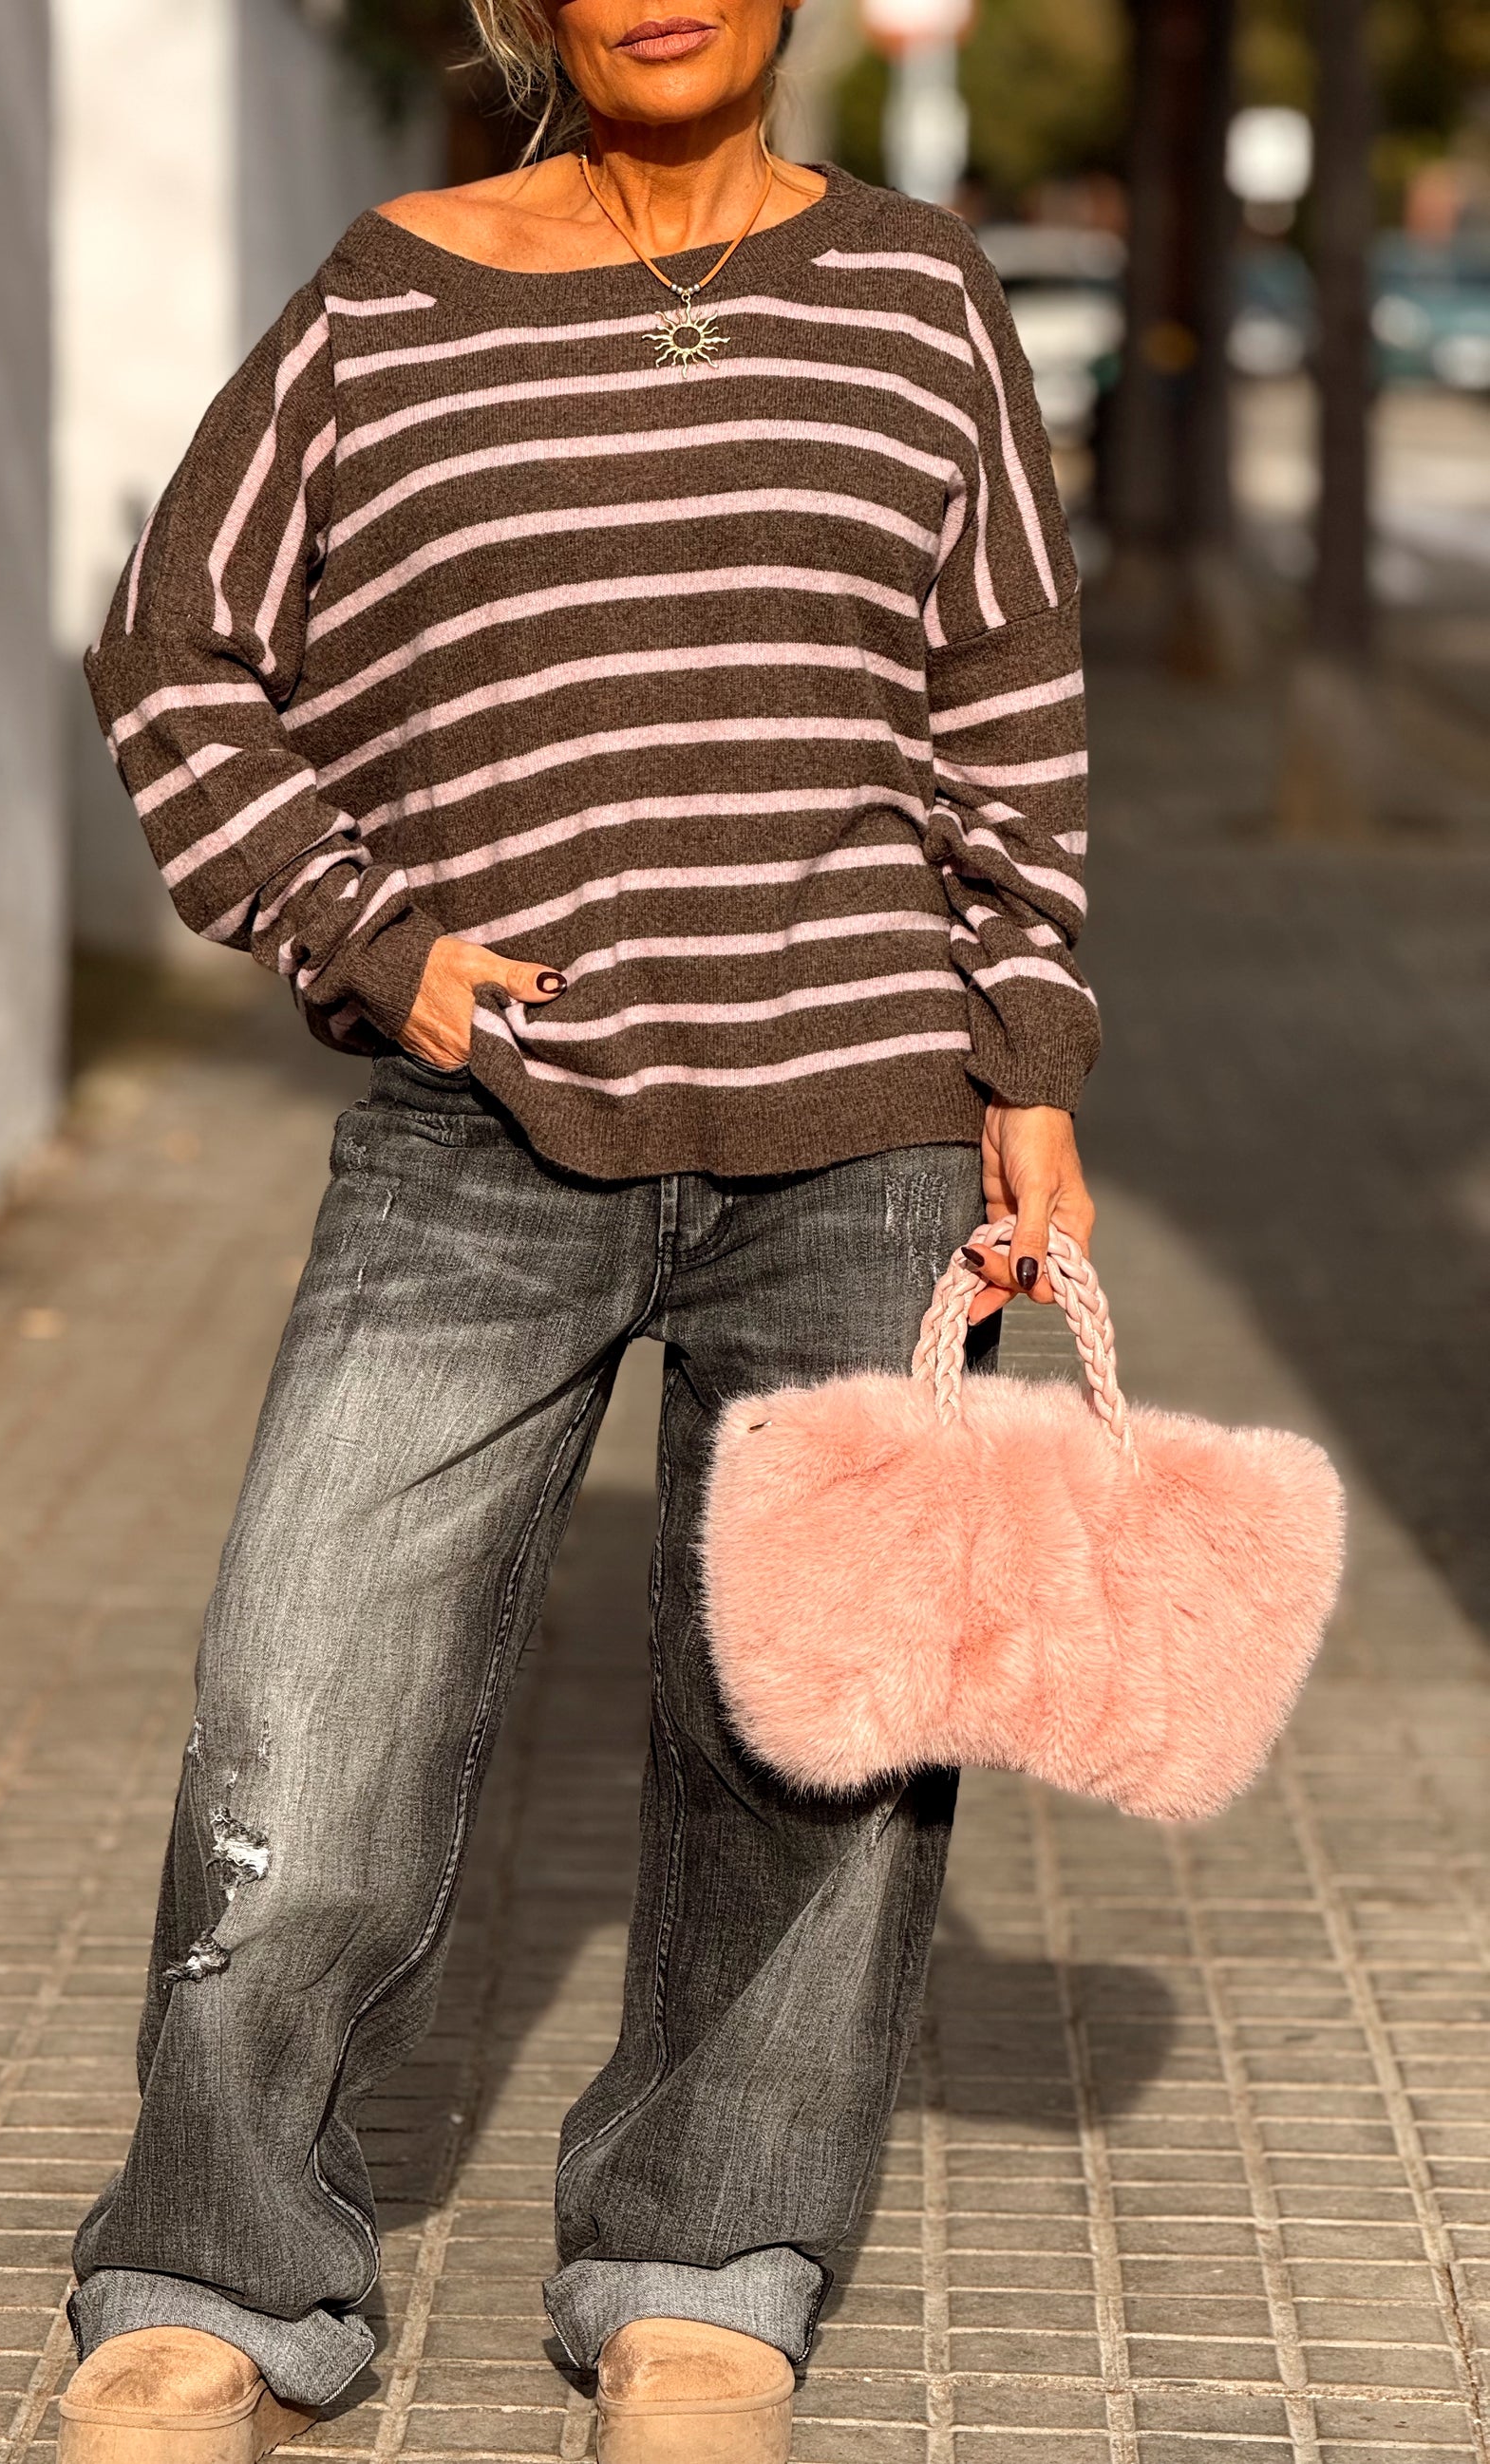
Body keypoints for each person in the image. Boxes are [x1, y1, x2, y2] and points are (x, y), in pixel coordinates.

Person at [54, 0, 1097, 2450]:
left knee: (814, 1737)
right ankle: (215, 2268)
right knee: (310, 1693)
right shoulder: (388, 291)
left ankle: (703, 2267)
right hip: (479, 1137)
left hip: (866, 1126)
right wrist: (365, 935)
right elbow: (174, 653)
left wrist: (1034, 1060)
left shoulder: (915, 291)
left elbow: (1004, 697)